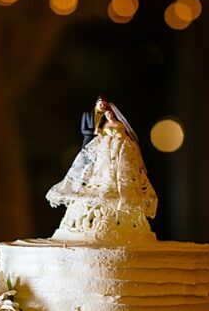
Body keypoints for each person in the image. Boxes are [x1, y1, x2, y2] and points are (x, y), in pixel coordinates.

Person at [47, 97, 157, 240]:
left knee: (114, 169)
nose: (108, 115)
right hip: (99, 144)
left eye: (109, 112)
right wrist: (97, 133)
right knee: (95, 167)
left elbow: (123, 134)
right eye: (105, 111)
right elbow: (87, 129)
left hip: (115, 148)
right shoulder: (91, 116)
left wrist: (115, 138)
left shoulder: (118, 125)